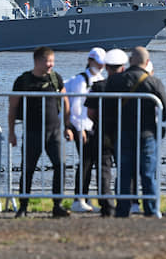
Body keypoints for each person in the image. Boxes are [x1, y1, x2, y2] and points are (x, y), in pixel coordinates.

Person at [8, 46, 73, 218]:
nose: (51, 64)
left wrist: (67, 125)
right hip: (32, 132)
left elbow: (65, 101)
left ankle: (57, 205)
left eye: (52, 61)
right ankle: (23, 207)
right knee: (28, 169)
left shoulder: (55, 78)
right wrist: (11, 132)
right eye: (48, 61)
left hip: (54, 132)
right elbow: (13, 107)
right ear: (37, 61)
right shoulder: (23, 81)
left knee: (60, 166)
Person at [105, 46, 166, 218]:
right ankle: (151, 210)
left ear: (130, 60)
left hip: (122, 133)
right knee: (148, 174)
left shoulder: (115, 81)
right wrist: (160, 133)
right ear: (147, 62)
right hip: (147, 134)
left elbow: (106, 109)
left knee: (124, 174)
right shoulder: (154, 82)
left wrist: (110, 133)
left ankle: (122, 210)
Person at [86, 48, 128, 217]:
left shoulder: (98, 86)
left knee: (104, 170)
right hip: (123, 133)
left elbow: (90, 112)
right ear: (123, 68)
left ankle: (107, 206)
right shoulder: (128, 87)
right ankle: (125, 203)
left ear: (107, 67)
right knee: (125, 169)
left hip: (102, 132)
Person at [64, 47, 106, 213]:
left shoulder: (100, 78)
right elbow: (76, 108)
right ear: (90, 61)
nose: (100, 66)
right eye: (98, 63)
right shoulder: (81, 81)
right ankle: (78, 199)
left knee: (92, 163)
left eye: (102, 64)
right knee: (86, 163)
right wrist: (79, 129)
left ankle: (86, 199)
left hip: (94, 127)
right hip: (82, 127)